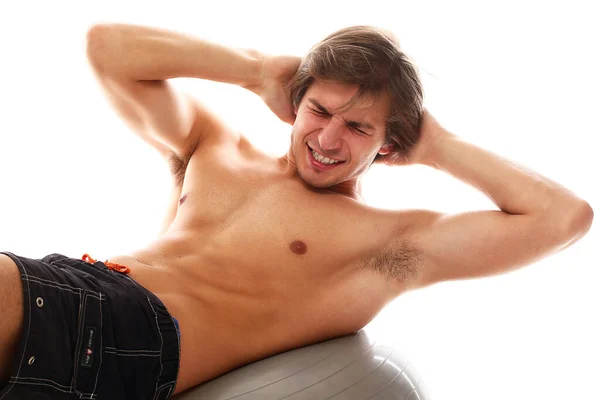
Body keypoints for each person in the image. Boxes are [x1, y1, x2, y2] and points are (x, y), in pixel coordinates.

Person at [0, 22, 593, 399]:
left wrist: (438, 147)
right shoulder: (215, 147)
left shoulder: (386, 244)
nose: (330, 140)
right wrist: (256, 71)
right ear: (296, 102)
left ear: (388, 144)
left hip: (132, 337)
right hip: (79, 288)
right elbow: (107, 48)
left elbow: (564, 218)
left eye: (358, 127)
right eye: (320, 111)